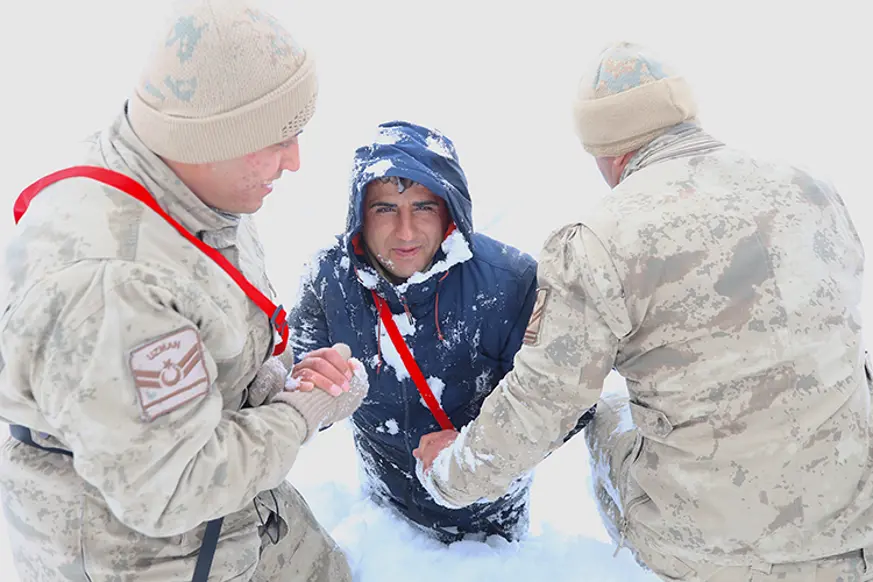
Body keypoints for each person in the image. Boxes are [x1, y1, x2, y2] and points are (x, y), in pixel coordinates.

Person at [414, 41, 873, 581]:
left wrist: (450, 474)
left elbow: (544, 403)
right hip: (857, 531)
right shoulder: (810, 187)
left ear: (606, 153)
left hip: (715, 556)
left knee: (608, 412)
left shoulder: (597, 241)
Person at [0, 1, 366, 581]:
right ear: (212, 137)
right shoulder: (112, 291)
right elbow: (174, 486)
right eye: (280, 139)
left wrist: (262, 380)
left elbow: (202, 311)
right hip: (151, 556)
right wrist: (301, 413)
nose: (296, 161)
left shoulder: (189, 181)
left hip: (239, 508)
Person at [287, 121, 590, 542]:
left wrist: (479, 450)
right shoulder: (328, 278)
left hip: (489, 524)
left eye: (424, 207)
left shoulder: (511, 282)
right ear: (359, 215)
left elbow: (570, 400)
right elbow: (291, 380)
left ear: (450, 210)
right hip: (385, 517)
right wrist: (315, 392)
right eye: (385, 209)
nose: (406, 231)